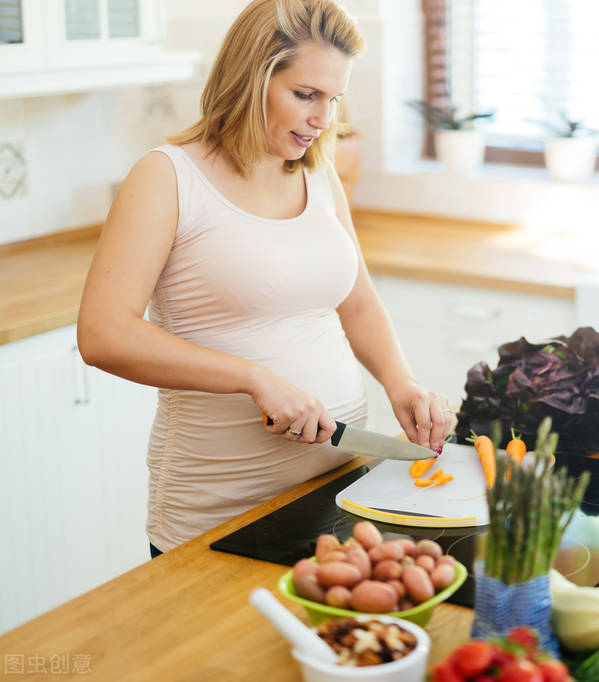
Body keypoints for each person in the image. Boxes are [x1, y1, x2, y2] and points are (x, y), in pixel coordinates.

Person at [76, 0, 452, 557]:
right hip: (219, 510)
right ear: (252, 77)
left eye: (334, 99)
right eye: (306, 95)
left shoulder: (319, 173)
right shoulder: (167, 176)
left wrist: (402, 383)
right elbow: (103, 335)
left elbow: (358, 302)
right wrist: (253, 378)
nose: (324, 120)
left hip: (337, 491)